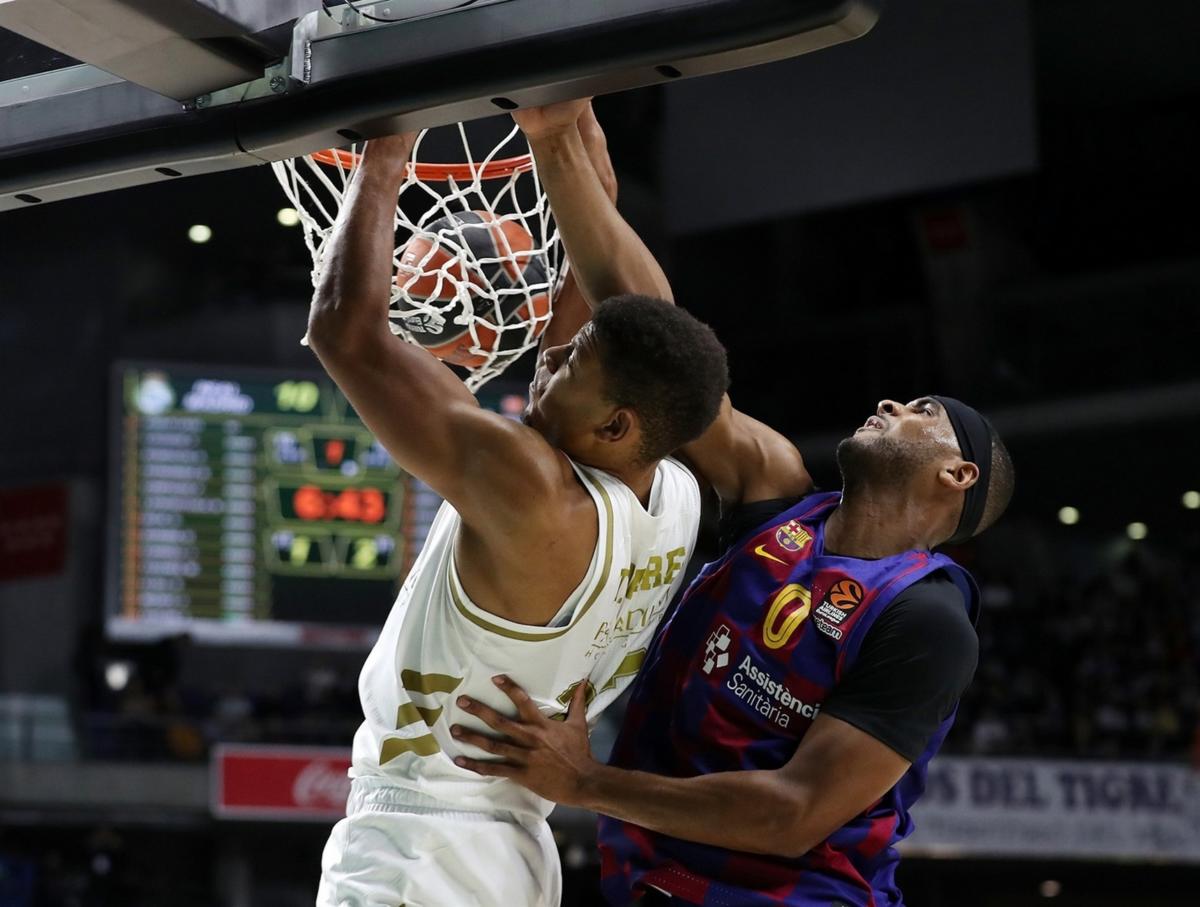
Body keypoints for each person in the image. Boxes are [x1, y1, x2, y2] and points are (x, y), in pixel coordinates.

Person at [451, 98, 1016, 906]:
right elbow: (662, 351)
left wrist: (584, 779)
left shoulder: (926, 622)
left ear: (957, 476)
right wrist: (556, 141)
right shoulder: (777, 488)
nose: (895, 404)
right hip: (662, 876)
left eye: (925, 412)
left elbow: (794, 814)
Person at [305, 108, 730, 907]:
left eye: (569, 363)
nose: (548, 361)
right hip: (514, 851)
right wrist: (566, 131)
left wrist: (390, 145)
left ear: (615, 424)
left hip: (417, 851)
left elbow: (344, 333)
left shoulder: (533, 486)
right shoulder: (674, 487)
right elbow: (621, 299)